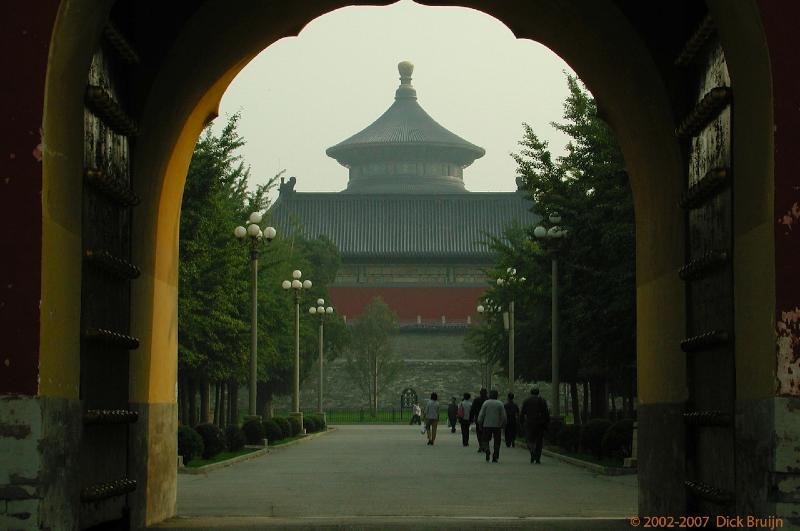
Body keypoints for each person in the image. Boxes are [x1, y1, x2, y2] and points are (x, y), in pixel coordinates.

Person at [519, 387, 550, 464]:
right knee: (539, 441)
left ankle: (532, 451)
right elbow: (546, 413)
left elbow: (522, 413)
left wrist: (521, 422)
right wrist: (547, 423)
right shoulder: (542, 400)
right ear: (538, 393)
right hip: (540, 424)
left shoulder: (526, 401)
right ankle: (538, 458)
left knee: (529, 440)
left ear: (531, 393)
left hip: (530, 423)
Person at [477, 389, 507, 462]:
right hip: (497, 426)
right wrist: (503, 424)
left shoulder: (486, 403)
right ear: (497, 396)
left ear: (490, 395)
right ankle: (495, 456)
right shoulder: (500, 403)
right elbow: (504, 416)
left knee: (485, 439)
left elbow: (481, 415)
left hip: (487, 425)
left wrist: (480, 423)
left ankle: (487, 449)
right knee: (497, 441)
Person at [470, 388, 488, 453]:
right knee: (486, 432)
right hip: (487, 419)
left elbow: (472, 410)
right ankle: (485, 445)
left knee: (479, 432)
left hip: (478, 418)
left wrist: (471, 418)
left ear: (480, 393)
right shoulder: (488, 400)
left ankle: (481, 445)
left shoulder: (476, 400)